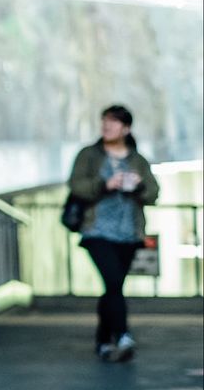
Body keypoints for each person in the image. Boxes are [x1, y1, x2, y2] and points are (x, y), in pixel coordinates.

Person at [67, 104, 159, 363]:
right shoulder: (89, 155)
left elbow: (154, 193)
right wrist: (105, 184)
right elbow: (76, 186)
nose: (106, 126)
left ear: (126, 128)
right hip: (96, 231)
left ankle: (102, 341)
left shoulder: (137, 160)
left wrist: (137, 187)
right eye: (104, 121)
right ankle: (122, 335)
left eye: (113, 122)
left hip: (129, 233)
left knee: (113, 287)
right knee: (113, 281)